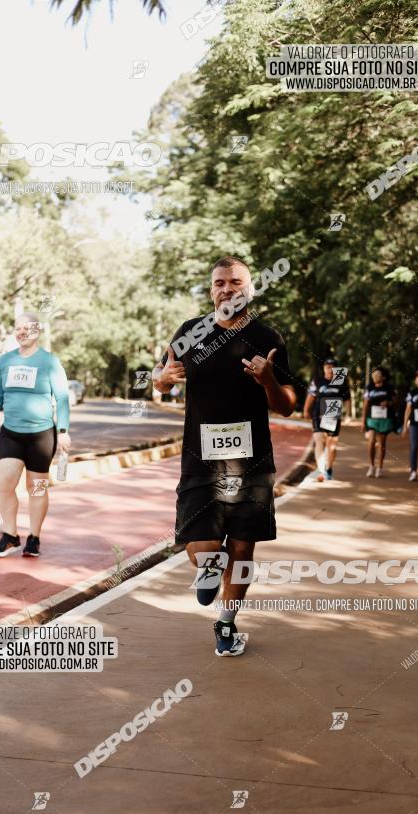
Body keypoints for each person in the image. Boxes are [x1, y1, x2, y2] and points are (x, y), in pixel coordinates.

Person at [152, 256, 296, 657]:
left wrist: (268, 379)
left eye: (236, 282)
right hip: (201, 459)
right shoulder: (188, 333)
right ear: (211, 288)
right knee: (202, 544)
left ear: (249, 289)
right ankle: (209, 570)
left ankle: (226, 624)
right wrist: (161, 380)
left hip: (252, 463)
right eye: (220, 282)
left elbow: (287, 405)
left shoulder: (268, 337)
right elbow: (161, 378)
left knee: (244, 549)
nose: (227, 289)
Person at [0, 313, 71, 558]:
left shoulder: (49, 361)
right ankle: (10, 536)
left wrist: (63, 431)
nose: (22, 332)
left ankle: (34, 537)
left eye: (27, 328)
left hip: (41, 435)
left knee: (37, 488)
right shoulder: (5, 360)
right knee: (4, 483)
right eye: (18, 328)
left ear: (37, 331)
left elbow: (61, 398)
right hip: (11, 433)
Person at [303, 357, 351, 481]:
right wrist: (306, 410)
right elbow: (311, 396)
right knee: (319, 440)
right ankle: (321, 470)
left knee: (332, 445)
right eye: (327, 366)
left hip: (334, 416)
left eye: (332, 367)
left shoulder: (341, 382)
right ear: (324, 368)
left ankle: (329, 468)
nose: (330, 369)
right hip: (318, 415)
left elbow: (347, 400)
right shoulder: (317, 381)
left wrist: (348, 415)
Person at [362, 366, 397, 478]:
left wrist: (388, 403)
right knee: (371, 441)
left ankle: (379, 468)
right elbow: (365, 405)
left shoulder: (389, 389)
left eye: (377, 375)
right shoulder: (370, 388)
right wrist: (363, 421)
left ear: (383, 377)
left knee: (382, 444)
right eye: (373, 375)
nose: (375, 377)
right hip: (372, 419)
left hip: (385, 420)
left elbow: (395, 402)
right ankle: (371, 465)